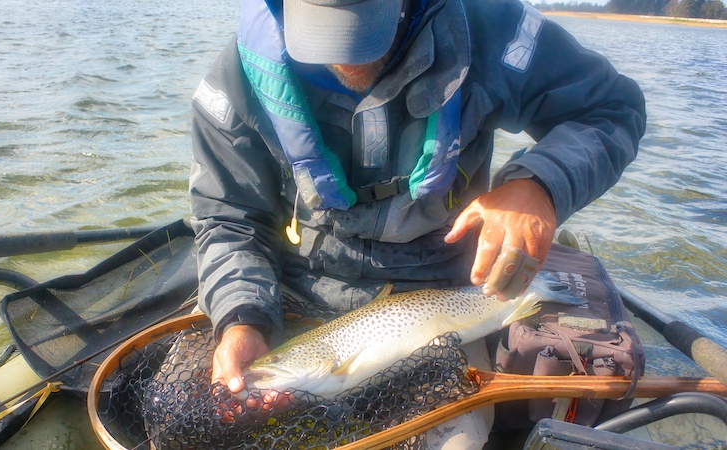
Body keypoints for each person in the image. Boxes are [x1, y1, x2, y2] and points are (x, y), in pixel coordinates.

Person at [188, 0, 645, 447]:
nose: (347, 54)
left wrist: (539, 185)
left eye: (366, 21)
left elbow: (610, 108)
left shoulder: (494, 27)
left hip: (440, 294)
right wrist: (240, 318)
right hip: (282, 291)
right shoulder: (235, 77)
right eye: (324, 25)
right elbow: (228, 219)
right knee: (199, 409)